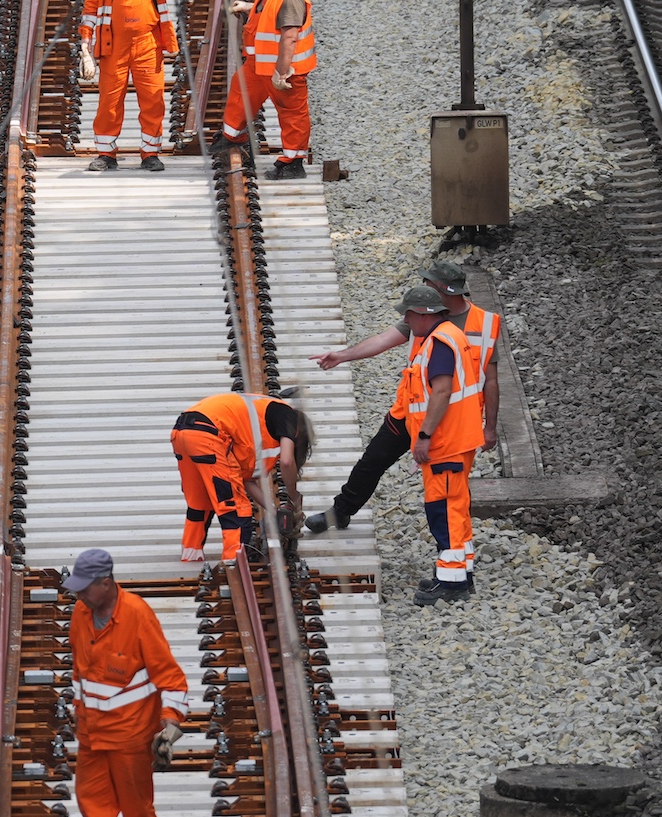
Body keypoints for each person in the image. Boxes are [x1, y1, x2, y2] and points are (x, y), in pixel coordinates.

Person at [305, 260, 500, 534]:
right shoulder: (422, 315)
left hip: (450, 426)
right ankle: (341, 511)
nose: (423, 286)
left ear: (443, 291)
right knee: (372, 461)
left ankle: (450, 558)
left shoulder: (483, 324)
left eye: (428, 283)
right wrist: (342, 356)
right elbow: (383, 340)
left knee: (446, 493)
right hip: (409, 412)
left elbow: (490, 380)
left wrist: (489, 427)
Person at [63, 548, 189, 817]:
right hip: (91, 736)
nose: (79, 595)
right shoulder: (81, 613)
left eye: (85, 588)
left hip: (130, 738)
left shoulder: (137, 616)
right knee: (95, 808)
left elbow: (171, 677)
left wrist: (170, 723)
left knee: (137, 809)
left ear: (107, 583)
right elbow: (79, 674)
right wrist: (77, 713)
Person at [391, 286, 485, 606]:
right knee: (455, 507)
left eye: (408, 314)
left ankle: (451, 583)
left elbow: (442, 392)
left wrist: (424, 436)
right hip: (456, 439)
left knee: (443, 510)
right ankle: (460, 573)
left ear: (424, 314)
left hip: (445, 442)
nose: (405, 320)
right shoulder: (448, 335)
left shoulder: (440, 343)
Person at [79, 0, 182, 171]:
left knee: (152, 100)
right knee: (110, 101)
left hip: (148, 43)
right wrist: (85, 42)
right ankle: (106, 154)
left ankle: (150, 154)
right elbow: (91, 2)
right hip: (113, 44)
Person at [170, 392, 312, 565]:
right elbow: (287, 462)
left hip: (182, 431)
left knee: (199, 502)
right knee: (235, 506)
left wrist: (274, 511)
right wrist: (293, 498)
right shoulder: (289, 415)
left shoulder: (251, 426)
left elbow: (246, 481)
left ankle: (191, 555)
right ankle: (234, 562)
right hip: (208, 433)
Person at [221, 0, 315, 178]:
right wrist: (247, 7)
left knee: (291, 114)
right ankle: (232, 138)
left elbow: (290, 36)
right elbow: (270, 15)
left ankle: (293, 163)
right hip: (260, 65)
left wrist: (282, 73)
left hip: (284, 70)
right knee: (240, 89)